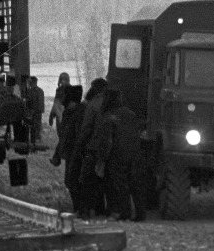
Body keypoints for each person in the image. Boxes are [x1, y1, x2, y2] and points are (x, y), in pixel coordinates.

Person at [96, 90, 147, 222]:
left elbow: (107, 141)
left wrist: (102, 160)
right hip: (134, 153)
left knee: (121, 185)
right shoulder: (131, 114)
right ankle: (141, 214)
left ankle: (125, 213)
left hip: (117, 155)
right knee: (136, 184)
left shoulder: (108, 116)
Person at [72, 78, 108, 219]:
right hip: (109, 149)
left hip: (93, 147)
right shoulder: (112, 103)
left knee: (87, 179)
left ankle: (85, 210)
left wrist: (80, 145)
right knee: (104, 181)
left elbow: (87, 128)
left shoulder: (93, 104)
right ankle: (102, 210)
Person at [51, 84, 84, 210]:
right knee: (70, 182)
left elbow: (74, 135)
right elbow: (64, 136)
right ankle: (79, 208)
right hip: (71, 153)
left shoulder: (77, 113)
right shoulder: (70, 113)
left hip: (76, 153)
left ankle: (81, 209)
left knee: (73, 182)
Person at [49, 72, 71, 136]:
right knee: (61, 134)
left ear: (67, 80)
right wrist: (51, 115)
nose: (62, 81)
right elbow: (56, 103)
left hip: (68, 116)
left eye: (64, 79)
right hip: (60, 116)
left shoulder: (71, 90)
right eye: (61, 79)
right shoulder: (59, 90)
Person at [28, 76, 45, 148]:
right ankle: (33, 141)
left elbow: (40, 103)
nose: (29, 84)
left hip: (37, 112)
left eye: (30, 82)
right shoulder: (30, 91)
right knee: (32, 127)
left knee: (37, 126)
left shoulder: (39, 91)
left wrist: (36, 111)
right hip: (32, 112)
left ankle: (37, 141)